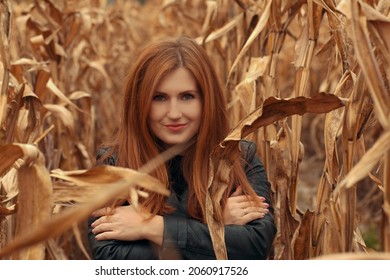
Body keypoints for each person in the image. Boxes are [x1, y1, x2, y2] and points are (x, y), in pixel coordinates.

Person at [87, 36, 276, 260]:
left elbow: (255, 248)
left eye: (187, 96)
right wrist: (215, 226)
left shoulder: (240, 158)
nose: (174, 113)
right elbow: (111, 258)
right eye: (159, 98)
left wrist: (154, 228)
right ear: (139, 103)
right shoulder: (113, 164)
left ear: (207, 101)